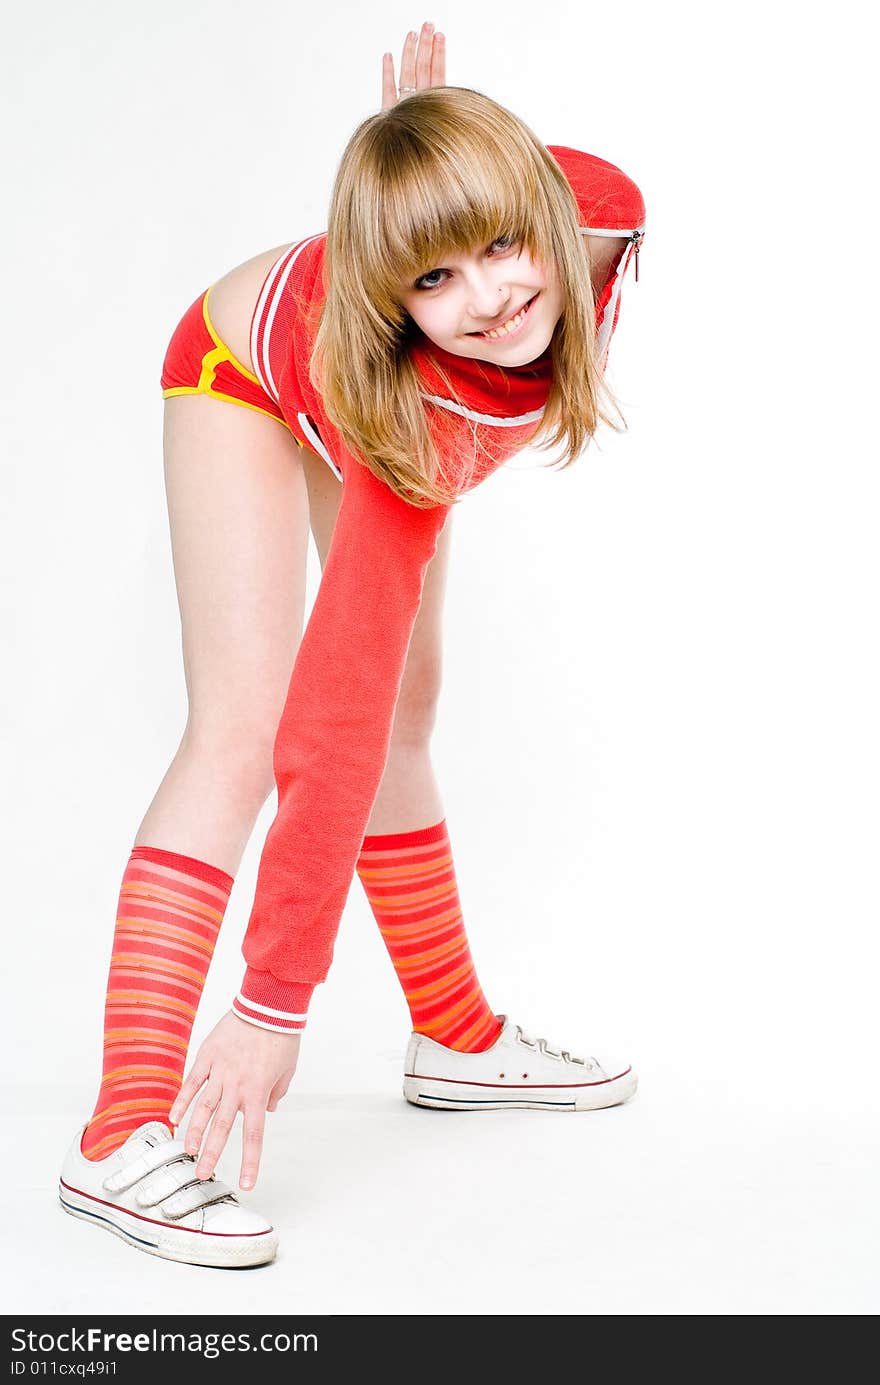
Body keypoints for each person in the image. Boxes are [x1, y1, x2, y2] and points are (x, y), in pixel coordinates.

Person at [58, 22, 647, 1268]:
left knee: (412, 714)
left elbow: (542, 189)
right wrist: (276, 1001)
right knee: (247, 724)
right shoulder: (411, 427)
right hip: (247, 371)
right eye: (432, 277)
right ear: (394, 306)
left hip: (361, 338)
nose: (488, 296)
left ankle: (453, 1035)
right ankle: (117, 1130)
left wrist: (426, 158)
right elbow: (329, 721)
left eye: (498, 242)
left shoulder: (596, 224)